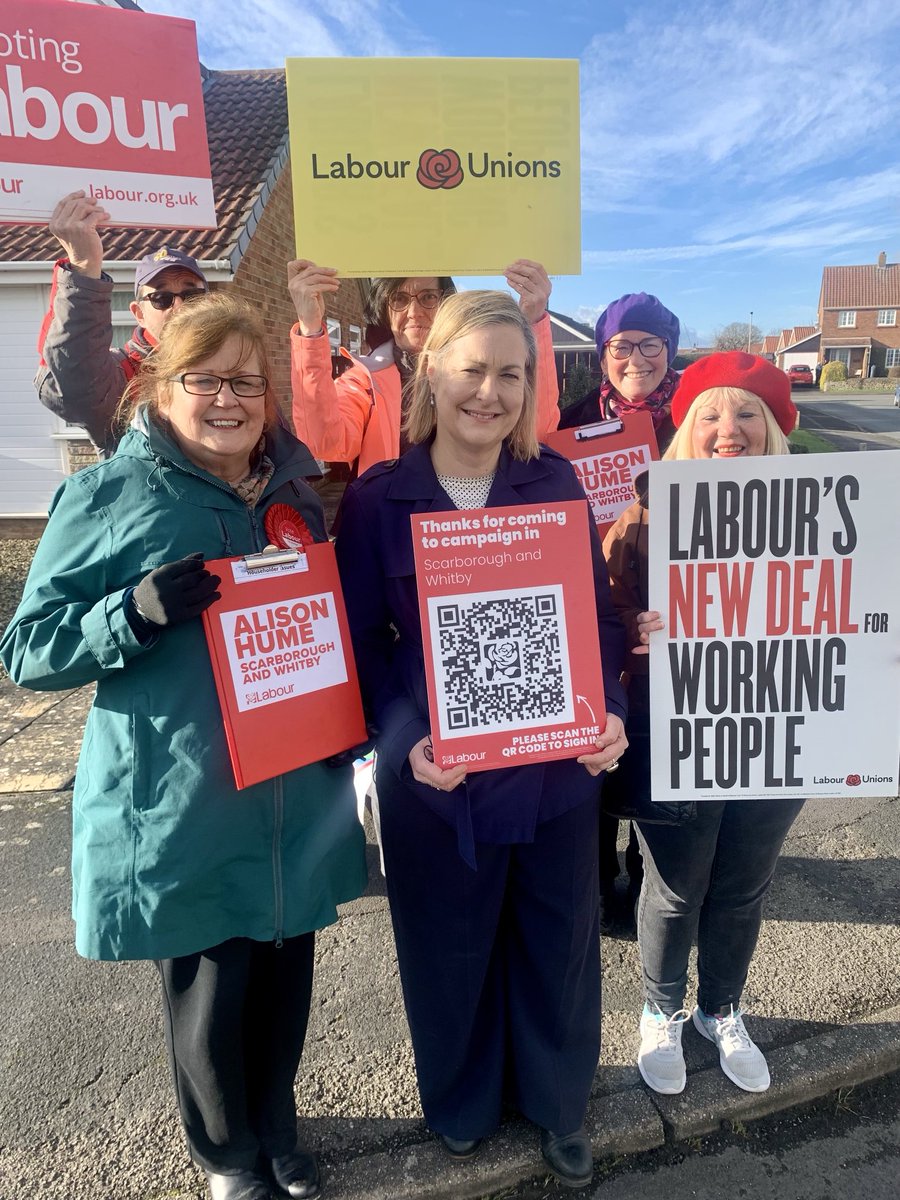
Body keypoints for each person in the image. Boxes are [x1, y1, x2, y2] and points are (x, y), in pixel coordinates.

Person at [2, 294, 367, 1200]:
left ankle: (280, 1133)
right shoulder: (108, 494)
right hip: (186, 795)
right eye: (204, 379)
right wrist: (129, 613)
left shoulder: (295, 493)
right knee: (212, 992)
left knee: (287, 978)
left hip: (294, 788)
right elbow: (27, 650)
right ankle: (227, 1158)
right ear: (162, 389)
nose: (228, 400)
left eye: (247, 381)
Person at [335, 291, 627, 1190]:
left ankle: (556, 1105)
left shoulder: (554, 483)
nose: (489, 392)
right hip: (440, 779)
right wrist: (407, 736)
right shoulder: (381, 499)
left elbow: (597, 622)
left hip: (555, 773)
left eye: (510, 373)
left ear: (530, 386)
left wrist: (609, 708)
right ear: (433, 373)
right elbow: (360, 648)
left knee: (558, 943)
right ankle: (460, 1102)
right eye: (473, 369)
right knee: (448, 949)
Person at [602, 351, 804, 1099]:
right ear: (686, 428)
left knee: (745, 886)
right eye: (711, 414)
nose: (730, 429)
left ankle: (721, 1009)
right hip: (678, 725)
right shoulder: (644, 517)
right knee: (677, 886)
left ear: (776, 428)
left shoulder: (824, 510)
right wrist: (635, 629)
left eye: (748, 412)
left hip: (782, 726)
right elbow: (603, 614)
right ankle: (660, 1008)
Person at [559, 292, 681, 930]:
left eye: (650, 345)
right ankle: (600, 873)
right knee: (597, 732)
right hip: (590, 593)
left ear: (670, 349)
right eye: (621, 346)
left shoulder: (692, 420)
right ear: (603, 354)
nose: (636, 358)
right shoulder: (570, 419)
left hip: (670, 607)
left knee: (659, 737)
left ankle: (648, 865)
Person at [287, 259, 560, 477]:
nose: (414, 311)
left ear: (446, 303)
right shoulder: (364, 380)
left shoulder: (481, 368)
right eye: (400, 299)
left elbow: (537, 432)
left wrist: (533, 320)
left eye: (428, 297)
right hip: (393, 526)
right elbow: (324, 443)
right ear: (384, 308)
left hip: (470, 525)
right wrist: (310, 329)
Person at [34, 190, 209, 455]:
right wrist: (83, 265)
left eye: (192, 295)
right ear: (138, 313)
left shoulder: (233, 362)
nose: (180, 306)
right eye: (161, 298)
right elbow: (69, 381)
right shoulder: (119, 375)